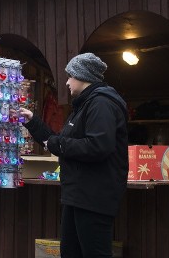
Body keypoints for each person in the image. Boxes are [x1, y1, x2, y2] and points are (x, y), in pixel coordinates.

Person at [18, 53, 128, 258]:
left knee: (95, 254)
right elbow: (58, 142)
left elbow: (98, 146)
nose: (67, 82)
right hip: (78, 195)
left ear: (82, 76)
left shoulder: (101, 104)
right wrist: (33, 121)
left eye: (70, 76)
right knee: (70, 252)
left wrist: (57, 143)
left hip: (94, 195)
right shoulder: (84, 105)